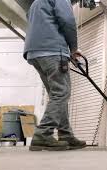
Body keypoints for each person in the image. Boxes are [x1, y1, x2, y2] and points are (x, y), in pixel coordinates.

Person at [24, 0, 86, 151]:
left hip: (34, 53)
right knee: (62, 93)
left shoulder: (35, 3)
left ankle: (65, 135)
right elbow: (67, 20)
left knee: (57, 94)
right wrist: (73, 48)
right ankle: (43, 134)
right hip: (52, 50)